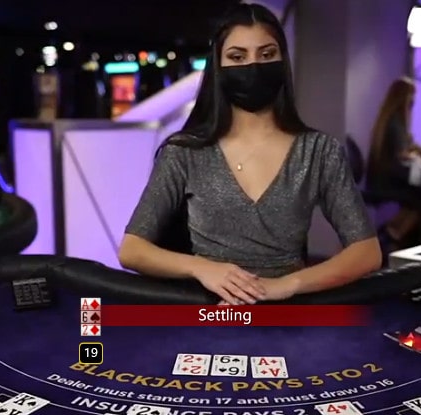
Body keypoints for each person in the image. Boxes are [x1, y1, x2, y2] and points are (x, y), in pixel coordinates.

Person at [118, 3, 381, 305]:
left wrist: (286, 285)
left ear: (282, 61)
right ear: (218, 67)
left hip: (288, 314)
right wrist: (202, 268)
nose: (253, 66)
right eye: (237, 56)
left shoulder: (319, 151)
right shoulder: (184, 152)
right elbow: (132, 250)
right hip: (211, 311)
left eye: (266, 54)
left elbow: (367, 252)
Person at [366, 77, 421, 250]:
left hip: (385, 178)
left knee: (420, 196)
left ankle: (391, 233)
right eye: (411, 95)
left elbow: (411, 145)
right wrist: (420, 159)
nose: (413, 100)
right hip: (386, 182)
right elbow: (403, 153)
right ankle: (392, 235)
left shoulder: (395, 121)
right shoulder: (394, 122)